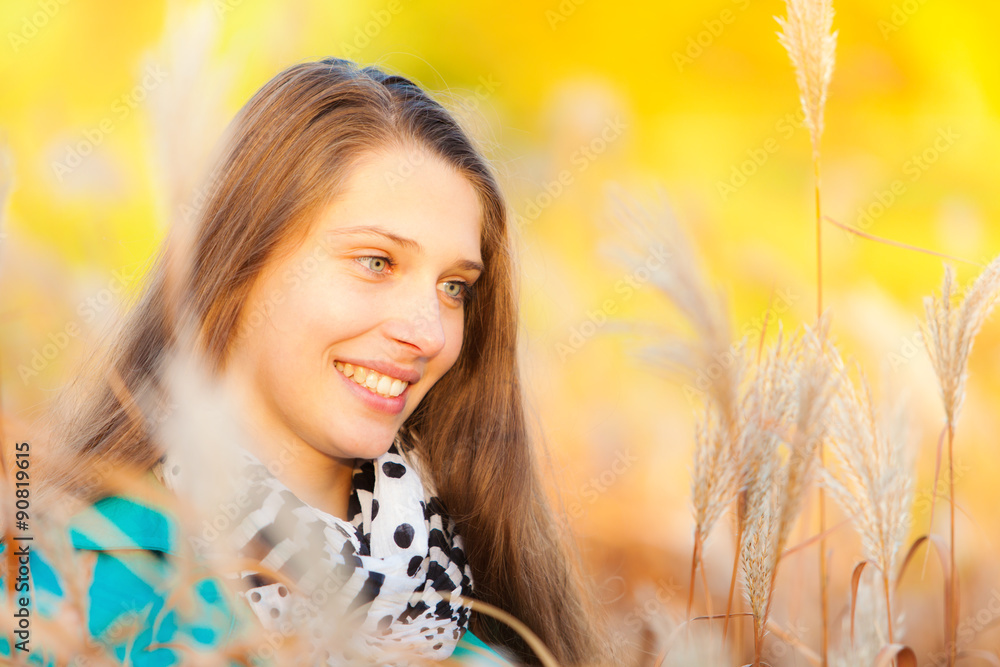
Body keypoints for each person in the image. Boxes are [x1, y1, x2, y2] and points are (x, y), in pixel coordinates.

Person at [0, 57, 615, 665]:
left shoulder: (487, 636)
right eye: (377, 262)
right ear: (241, 261)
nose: (429, 332)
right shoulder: (58, 602)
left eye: (454, 287)